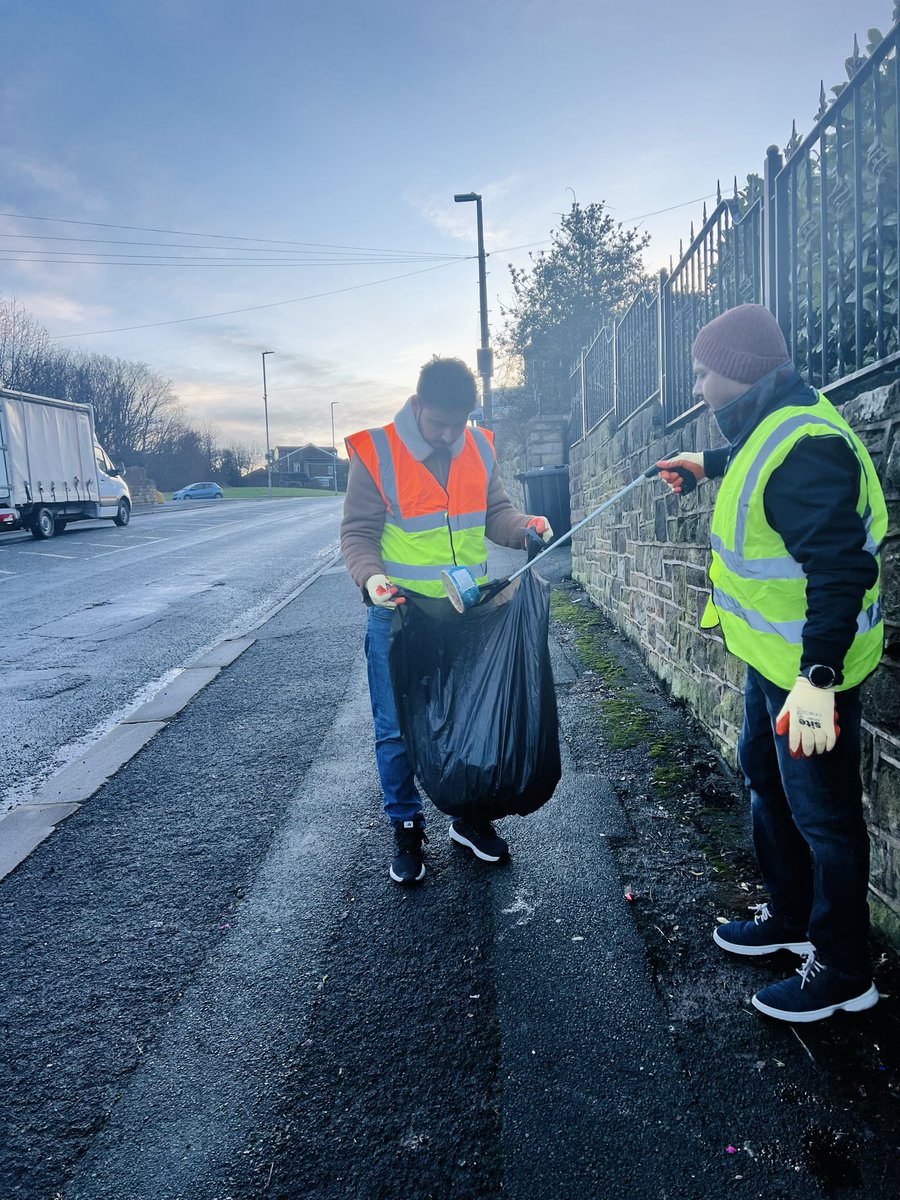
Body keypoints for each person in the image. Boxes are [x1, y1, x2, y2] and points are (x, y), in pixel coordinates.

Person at [658, 303, 886, 1024]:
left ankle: (846, 969)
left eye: (703, 372)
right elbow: (765, 456)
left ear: (741, 372)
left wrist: (817, 681)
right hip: (771, 662)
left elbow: (839, 573)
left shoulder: (805, 446)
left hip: (808, 677)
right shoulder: (778, 417)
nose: (697, 388)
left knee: (827, 820)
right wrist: (707, 462)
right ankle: (790, 918)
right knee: (765, 779)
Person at [341, 355, 553, 885]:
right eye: (439, 423)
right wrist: (371, 580)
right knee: (396, 731)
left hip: (463, 611)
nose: (449, 435)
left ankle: (469, 818)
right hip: (399, 611)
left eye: (459, 424)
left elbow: (495, 514)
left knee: (465, 717)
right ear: (417, 405)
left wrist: (525, 524)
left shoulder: (478, 445)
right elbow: (358, 534)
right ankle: (408, 829)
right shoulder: (377, 451)